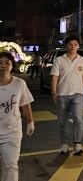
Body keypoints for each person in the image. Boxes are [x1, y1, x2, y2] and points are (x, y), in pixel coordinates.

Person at [50, 35, 83, 155]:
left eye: (75, 44)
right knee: (62, 121)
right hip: (62, 94)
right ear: (66, 46)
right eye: (70, 44)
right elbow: (54, 77)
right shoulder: (59, 60)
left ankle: (77, 144)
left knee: (78, 119)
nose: (73, 46)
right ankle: (64, 144)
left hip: (78, 94)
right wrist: (53, 92)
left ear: (78, 46)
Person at [0, 52, 35, 181]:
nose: (3, 66)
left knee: (10, 166)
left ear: (12, 66)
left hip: (11, 131)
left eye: (7, 63)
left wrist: (30, 121)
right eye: (0, 63)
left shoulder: (19, 84)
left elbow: (25, 103)